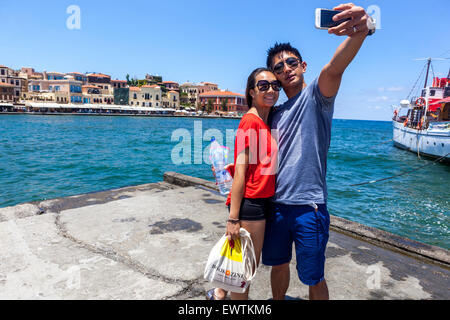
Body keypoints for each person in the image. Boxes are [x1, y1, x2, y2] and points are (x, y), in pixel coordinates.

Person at [211, 3, 375, 300]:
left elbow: (334, 68)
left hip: (309, 206)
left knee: (314, 277)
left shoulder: (316, 95)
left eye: (291, 63)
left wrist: (360, 32)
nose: (285, 69)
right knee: (278, 265)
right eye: (278, 68)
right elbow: (252, 153)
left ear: (303, 67)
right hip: (275, 206)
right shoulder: (272, 113)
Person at [206, 67, 280, 300]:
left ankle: (219, 293)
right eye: (263, 85)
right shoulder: (251, 122)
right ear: (251, 91)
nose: (271, 89)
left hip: (260, 202)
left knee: (241, 266)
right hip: (251, 205)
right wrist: (233, 219)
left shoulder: (264, 120)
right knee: (244, 276)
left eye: (275, 85)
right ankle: (223, 293)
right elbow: (241, 173)